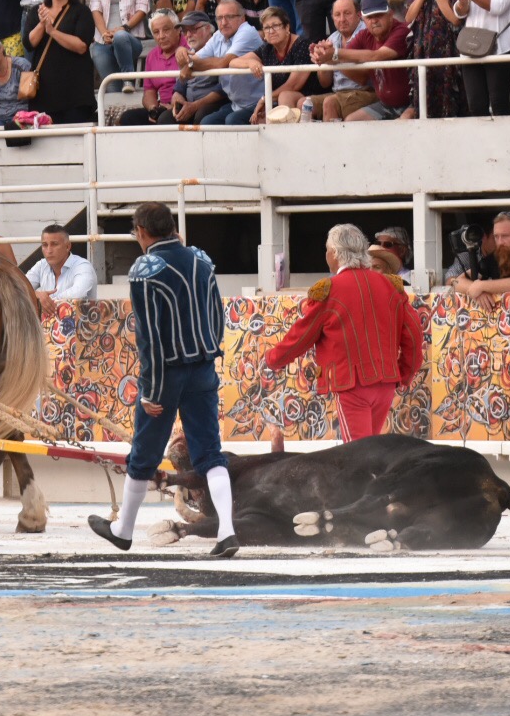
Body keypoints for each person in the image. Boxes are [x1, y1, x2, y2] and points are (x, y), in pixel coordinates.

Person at [89, 201, 236, 557]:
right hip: (203, 368)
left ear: (141, 231)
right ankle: (228, 532)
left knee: (145, 453)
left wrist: (151, 390)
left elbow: (149, 338)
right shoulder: (201, 259)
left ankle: (123, 530)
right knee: (210, 453)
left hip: (166, 375)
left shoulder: (145, 269)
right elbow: (217, 316)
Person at [265, 223, 421, 440]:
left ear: (336, 254)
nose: (326, 255)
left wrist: (272, 359)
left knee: (358, 458)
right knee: (370, 452)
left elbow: (300, 336)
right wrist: (404, 374)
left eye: (327, 250)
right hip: (385, 383)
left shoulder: (330, 290)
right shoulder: (390, 286)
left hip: (352, 384)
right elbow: (413, 335)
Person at [402, 0, 467, 119]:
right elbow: (408, 17)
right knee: (423, 107)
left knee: (450, 106)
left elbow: (455, 18)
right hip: (424, 48)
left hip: (449, 51)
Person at [25, 0, 96, 125]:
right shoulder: (37, 11)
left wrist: (52, 31)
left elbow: (81, 46)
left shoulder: (81, 11)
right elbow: (29, 43)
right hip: (45, 91)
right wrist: (42, 24)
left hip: (75, 91)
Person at [179, 0, 264, 125]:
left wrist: (191, 65)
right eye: (219, 18)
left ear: (242, 19)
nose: (223, 22)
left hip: (259, 102)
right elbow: (192, 59)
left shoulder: (246, 32)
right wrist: (181, 53)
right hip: (236, 104)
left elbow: (223, 64)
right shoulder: (219, 35)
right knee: (207, 123)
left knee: (231, 120)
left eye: (229, 17)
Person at [28, 224, 97, 315]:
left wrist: (45, 300)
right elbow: (18, 288)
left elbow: (78, 292)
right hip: (48, 326)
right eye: (45, 245)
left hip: (80, 326)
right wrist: (36, 295)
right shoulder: (41, 265)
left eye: (54, 244)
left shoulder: (83, 266)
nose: (49, 250)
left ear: (67, 246)